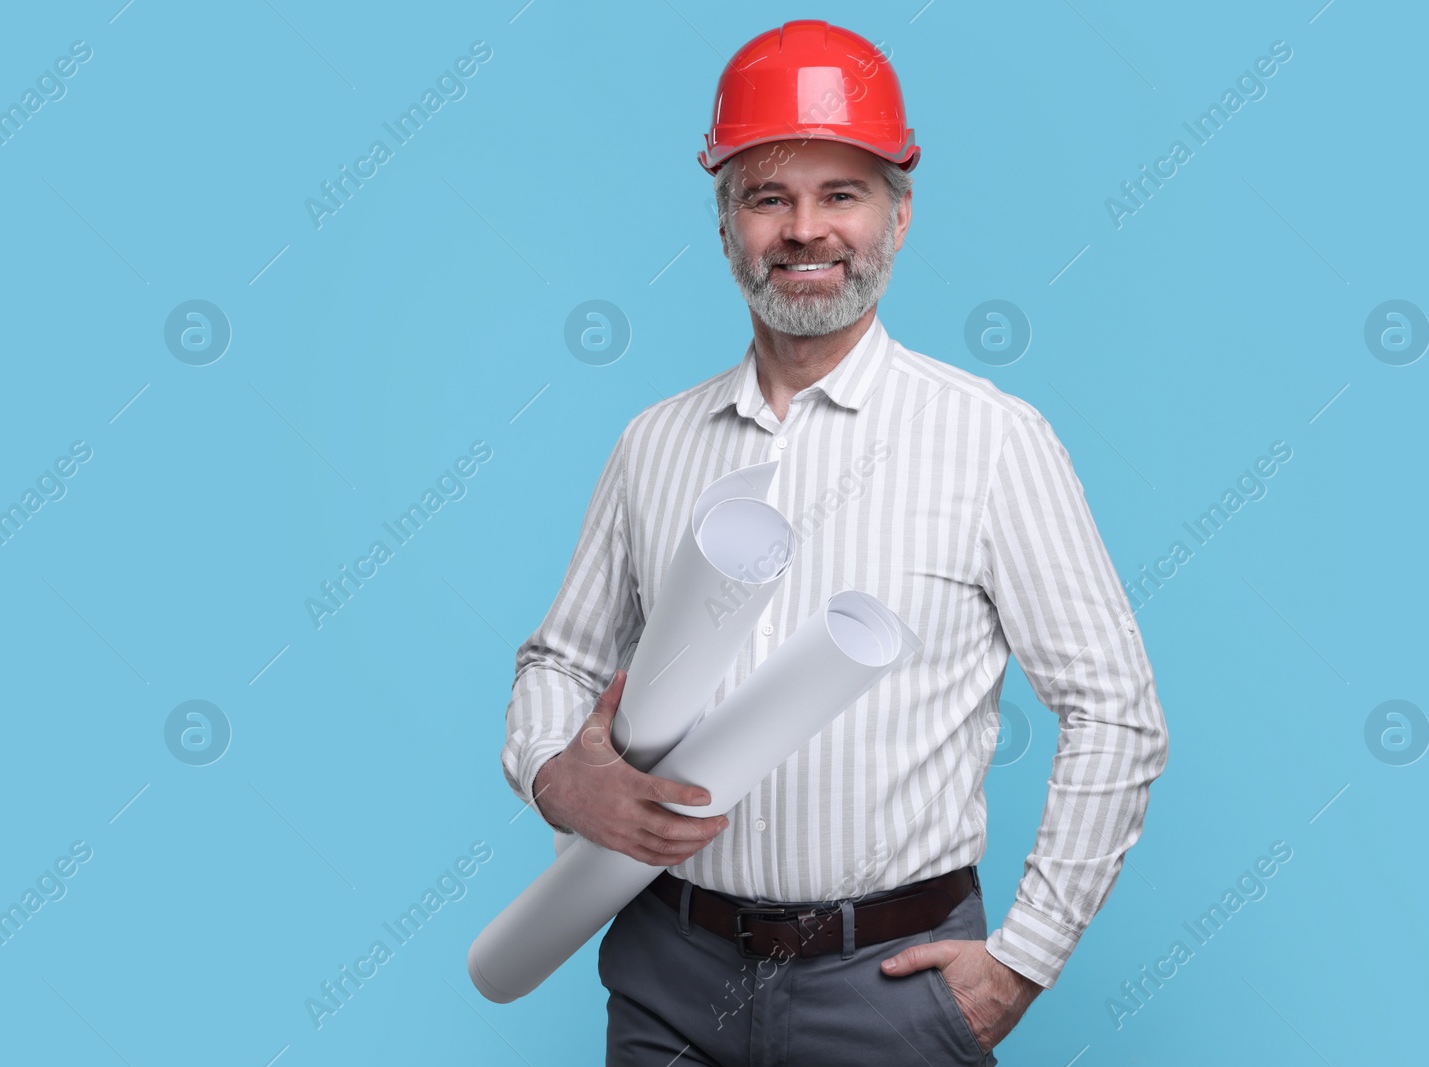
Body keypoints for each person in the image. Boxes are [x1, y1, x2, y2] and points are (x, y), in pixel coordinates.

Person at [500, 19, 1168, 1066]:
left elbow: (1115, 711)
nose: (805, 230)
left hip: (890, 988)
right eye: (768, 195)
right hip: (667, 977)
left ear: (898, 218)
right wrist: (556, 773)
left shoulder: (990, 440)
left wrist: (1023, 959)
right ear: (725, 226)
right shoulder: (654, 443)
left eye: (841, 194)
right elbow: (560, 660)